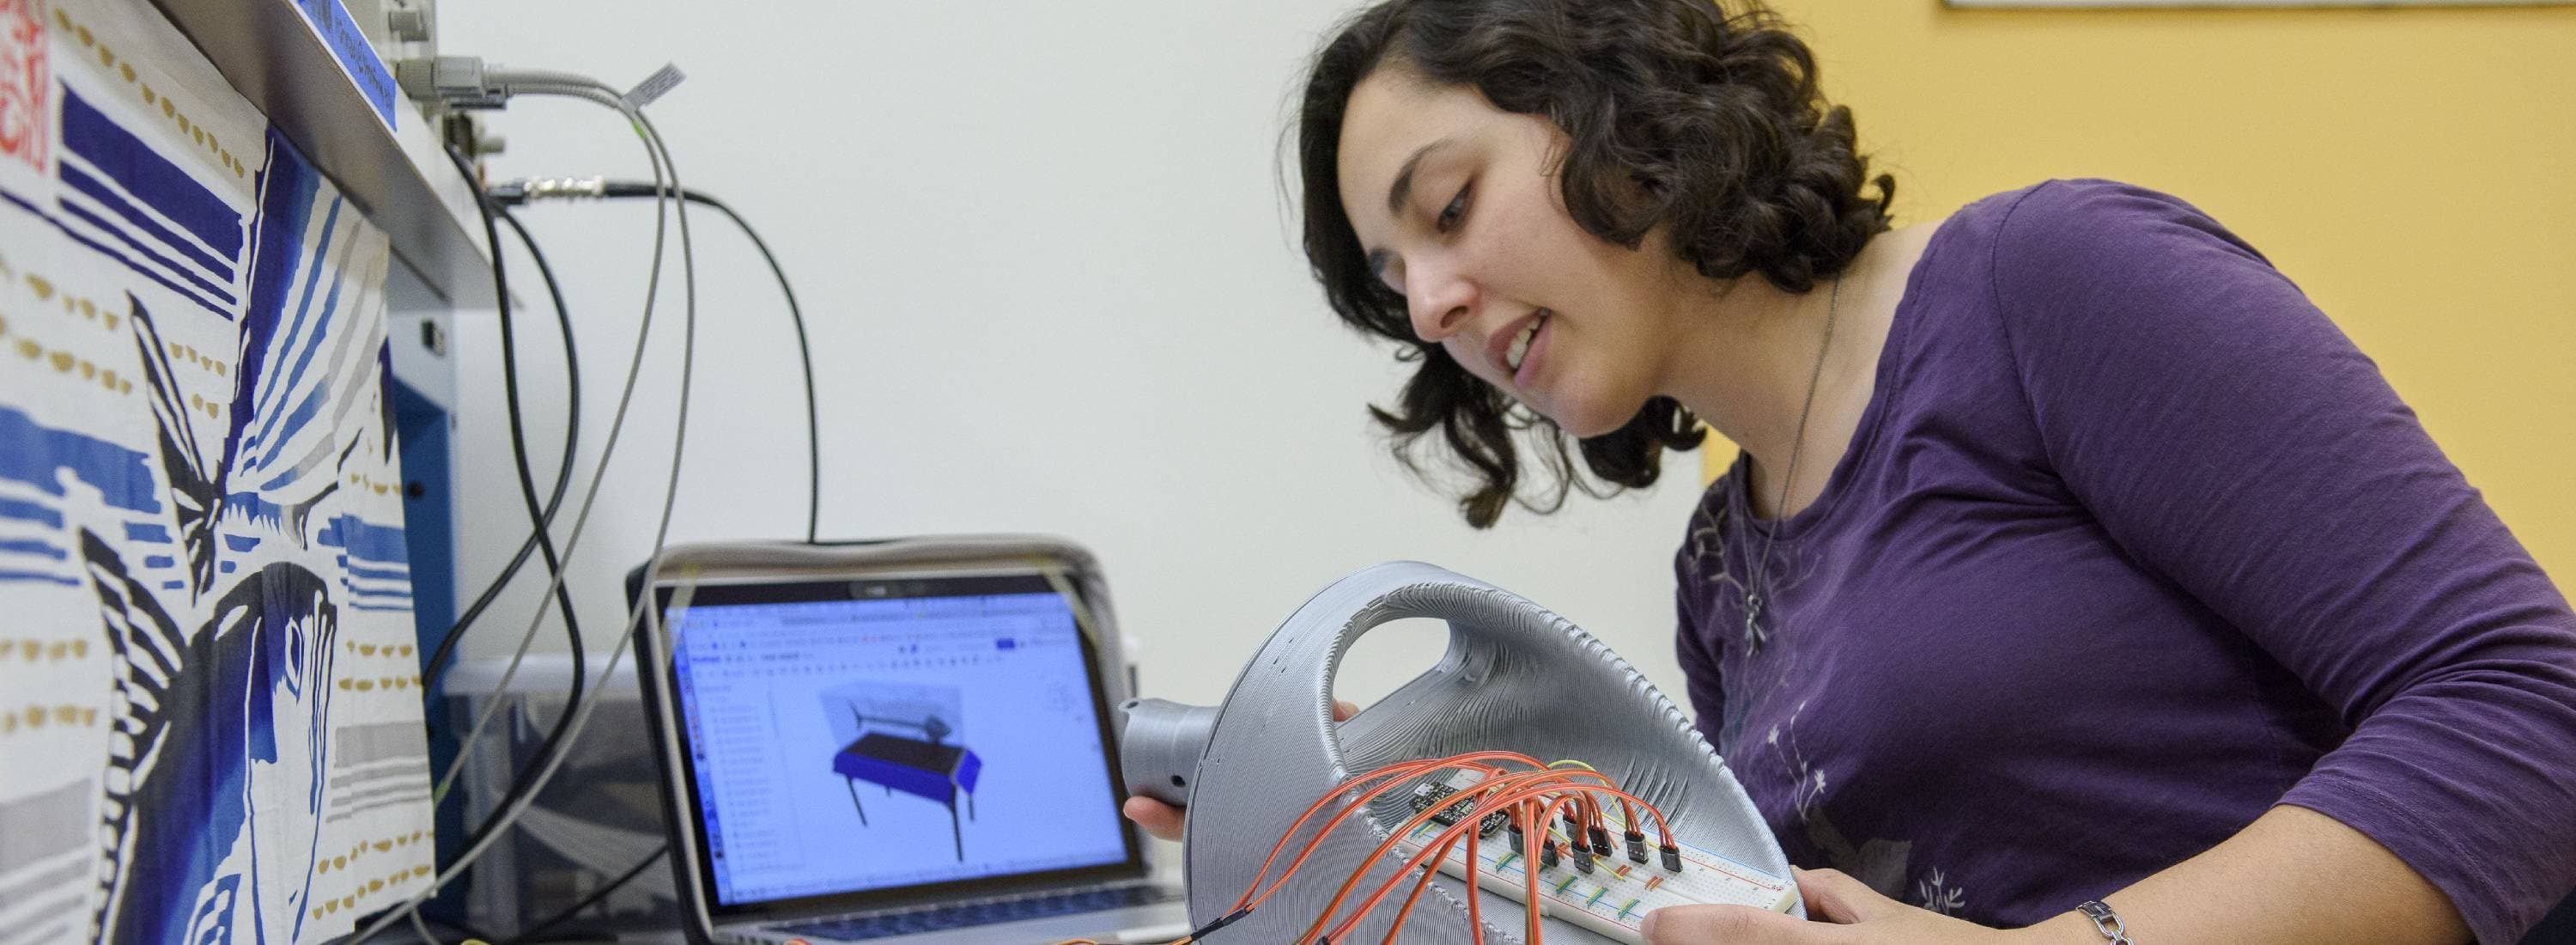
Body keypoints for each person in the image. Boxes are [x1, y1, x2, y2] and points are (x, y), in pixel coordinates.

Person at [1125, 1, 2576, 942]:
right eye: (1398, 285)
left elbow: (2529, 705)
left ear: (1620, 106)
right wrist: (1380, 812)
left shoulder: (2044, 285)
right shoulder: (1723, 568)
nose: (1434, 303)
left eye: (1448, 208)